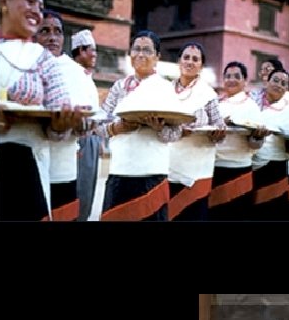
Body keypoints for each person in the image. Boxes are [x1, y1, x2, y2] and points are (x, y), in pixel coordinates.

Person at [0, 0, 81, 221]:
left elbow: (57, 111)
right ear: (4, 2)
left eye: (40, 7)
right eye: (30, 1)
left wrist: (61, 123)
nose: (36, 11)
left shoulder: (44, 60)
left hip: (29, 166)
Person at [94, 30, 182, 221]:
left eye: (147, 50)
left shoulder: (165, 88)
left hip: (152, 173)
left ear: (157, 57)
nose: (140, 54)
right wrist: (118, 128)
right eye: (136, 49)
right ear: (130, 54)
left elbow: (176, 133)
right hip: (121, 170)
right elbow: (99, 125)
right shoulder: (119, 87)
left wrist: (159, 128)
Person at [35, 11, 95, 221]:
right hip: (27, 162)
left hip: (63, 164)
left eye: (57, 32)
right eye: (45, 31)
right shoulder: (24, 66)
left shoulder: (76, 72)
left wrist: (81, 124)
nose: (52, 37)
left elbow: (90, 116)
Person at [167, 42, 225, 221]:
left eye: (195, 59)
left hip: (197, 170)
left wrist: (218, 132)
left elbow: (219, 125)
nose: (190, 62)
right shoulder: (164, 90)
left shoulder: (208, 94)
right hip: (167, 167)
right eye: (186, 57)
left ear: (201, 65)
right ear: (179, 61)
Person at [209, 62, 268, 221]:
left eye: (237, 76)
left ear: (245, 81)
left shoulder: (251, 107)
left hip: (240, 169)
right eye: (228, 76)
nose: (231, 80)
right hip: (215, 168)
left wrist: (258, 136)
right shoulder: (217, 104)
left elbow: (256, 145)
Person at [250, 68, 289, 220]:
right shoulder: (252, 101)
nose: (279, 85)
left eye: (283, 83)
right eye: (275, 80)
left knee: (273, 212)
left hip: (276, 166)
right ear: (267, 81)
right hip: (249, 165)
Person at [70, 29, 103, 222]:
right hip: (79, 138)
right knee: (80, 191)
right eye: (93, 50)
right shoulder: (72, 75)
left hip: (91, 138)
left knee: (89, 191)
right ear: (81, 51)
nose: (95, 55)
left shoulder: (87, 77)